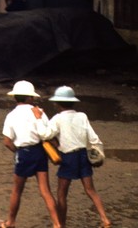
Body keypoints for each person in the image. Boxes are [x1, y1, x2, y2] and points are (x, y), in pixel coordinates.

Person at [45, 86, 111, 228]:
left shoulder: (57, 118)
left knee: (62, 192)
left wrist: (55, 143)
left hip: (68, 157)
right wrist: (98, 153)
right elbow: (94, 138)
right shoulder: (82, 116)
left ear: (57, 103)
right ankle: (104, 218)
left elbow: (45, 134)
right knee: (90, 189)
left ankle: (61, 224)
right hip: (83, 155)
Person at [0, 80, 61, 228]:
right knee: (45, 190)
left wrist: (17, 152)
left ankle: (10, 222)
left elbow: (7, 141)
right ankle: (57, 224)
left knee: (17, 190)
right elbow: (48, 134)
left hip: (24, 153)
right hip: (40, 152)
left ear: (15, 97)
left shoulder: (11, 115)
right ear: (30, 97)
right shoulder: (39, 113)